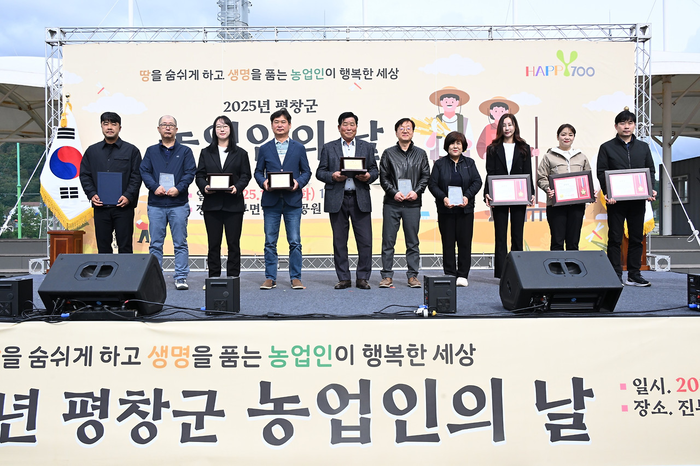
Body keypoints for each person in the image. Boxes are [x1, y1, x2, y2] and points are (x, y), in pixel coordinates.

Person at [316, 112, 379, 290]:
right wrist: (333, 176)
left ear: (356, 127)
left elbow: (375, 170)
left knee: (365, 241)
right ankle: (343, 278)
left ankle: (363, 278)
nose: (349, 128)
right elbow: (320, 172)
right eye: (345, 124)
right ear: (339, 127)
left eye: (352, 124)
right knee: (339, 241)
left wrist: (368, 176)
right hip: (338, 198)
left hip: (360, 198)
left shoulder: (367, 147)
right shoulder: (329, 147)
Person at [597, 109, 656, 287]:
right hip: (616, 201)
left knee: (636, 237)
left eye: (630, 123)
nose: (626, 126)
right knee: (615, 238)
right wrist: (608, 192)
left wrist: (650, 190)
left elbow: (650, 170)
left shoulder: (643, 147)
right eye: (622, 123)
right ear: (616, 126)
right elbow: (601, 172)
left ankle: (634, 275)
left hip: (638, 201)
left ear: (634, 125)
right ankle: (615, 275)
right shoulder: (607, 147)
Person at [254, 109, 311, 290]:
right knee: (270, 242)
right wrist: (263, 182)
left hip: (292, 200)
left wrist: (298, 183)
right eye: (276, 122)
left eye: (283, 122)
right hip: (271, 201)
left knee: (294, 241)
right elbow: (258, 172)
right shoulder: (264, 148)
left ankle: (296, 277)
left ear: (289, 125)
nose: (280, 125)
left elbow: (306, 171)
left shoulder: (298, 148)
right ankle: (270, 277)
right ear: (272, 125)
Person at [140, 115, 196, 290]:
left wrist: (178, 188)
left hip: (178, 204)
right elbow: (144, 171)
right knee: (155, 244)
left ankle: (181, 277)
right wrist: (154, 186)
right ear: (158, 129)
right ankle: (155, 279)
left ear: (176, 130)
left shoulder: (185, 151)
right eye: (164, 125)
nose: (167, 127)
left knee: (180, 243)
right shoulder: (151, 151)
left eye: (171, 125)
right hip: (156, 204)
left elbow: (190, 172)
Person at [195, 115, 251, 281]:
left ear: (230, 130)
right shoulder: (206, 152)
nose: (222, 129)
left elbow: (246, 175)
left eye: (225, 126)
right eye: (218, 126)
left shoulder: (241, 153)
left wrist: (237, 187)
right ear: (214, 130)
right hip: (212, 205)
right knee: (213, 244)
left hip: (233, 204)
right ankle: (213, 278)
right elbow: (199, 175)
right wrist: (204, 187)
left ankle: (233, 278)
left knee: (233, 244)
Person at [378, 118, 430, 288]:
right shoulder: (388, 153)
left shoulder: (421, 154)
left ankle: (413, 276)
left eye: (408, 128)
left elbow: (425, 176)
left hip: (413, 204)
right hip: (392, 203)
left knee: (412, 241)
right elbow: (383, 177)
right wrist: (394, 192)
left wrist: (417, 191)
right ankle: (387, 276)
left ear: (413, 132)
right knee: (388, 241)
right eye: (402, 128)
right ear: (396, 132)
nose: (405, 131)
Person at [79, 112, 142, 253]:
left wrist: (128, 196)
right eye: (106, 124)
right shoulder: (92, 151)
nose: (109, 127)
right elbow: (85, 175)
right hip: (101, 206)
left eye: (113, 124)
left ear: (120, 127)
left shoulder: (131, 151)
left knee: (125, 247)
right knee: (103, 247)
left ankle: (125, 269)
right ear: (101, 126)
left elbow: (136, 176)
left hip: (123, 207)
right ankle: (105, 269)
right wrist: (91, 194)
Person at [484, 113, 535, 279]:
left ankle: (517, 272)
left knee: (517, 235)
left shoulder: (524, 147)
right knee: (500, 236)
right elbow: (489, 173)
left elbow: (528, 172)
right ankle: (501, 274)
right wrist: (487, 193)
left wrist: (531, 193)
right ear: (500, 128)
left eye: (510, 124)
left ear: (515, 126)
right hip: (499, 196)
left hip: (519, 195)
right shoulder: (492, 148)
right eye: (504, 125)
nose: (507, 128)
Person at [428, 131, 483, 287]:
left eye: (458, 143)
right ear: (447, 146)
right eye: (452, 143)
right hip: (446, 210)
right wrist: (443, 198)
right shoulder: (439, 164)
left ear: (463, 146)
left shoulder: (469, 163)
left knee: (465, 243)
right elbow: (432, 184)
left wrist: (467, 196)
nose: (455, 146)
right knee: (448, 243)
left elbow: (477, 182)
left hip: (465, 210)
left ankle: (463, 275)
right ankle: (450, 274)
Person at [537, 124, 592, 251]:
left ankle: (572, 264)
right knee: (557, 241)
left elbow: (587, 178)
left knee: (573, 241)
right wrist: (548, 189)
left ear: (574, 137)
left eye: (570, 135)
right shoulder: (549, 156)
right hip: (555, 205)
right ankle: (557, 264)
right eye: (563, 134)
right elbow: (541, 177)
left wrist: (589, 191)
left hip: (577, 205)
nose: (567, 137)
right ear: (558, 137)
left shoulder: (581, 157)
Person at [425, 86, 474, 160]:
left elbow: (470, 144)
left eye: (452, 101)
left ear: (457, 102)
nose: (449, 103)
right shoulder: (434, 121)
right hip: (439, 159)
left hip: (460, 159)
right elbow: (428, 145)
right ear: (441, 102)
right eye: (446, 101)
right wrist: (434, 132)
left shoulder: (465, 121)